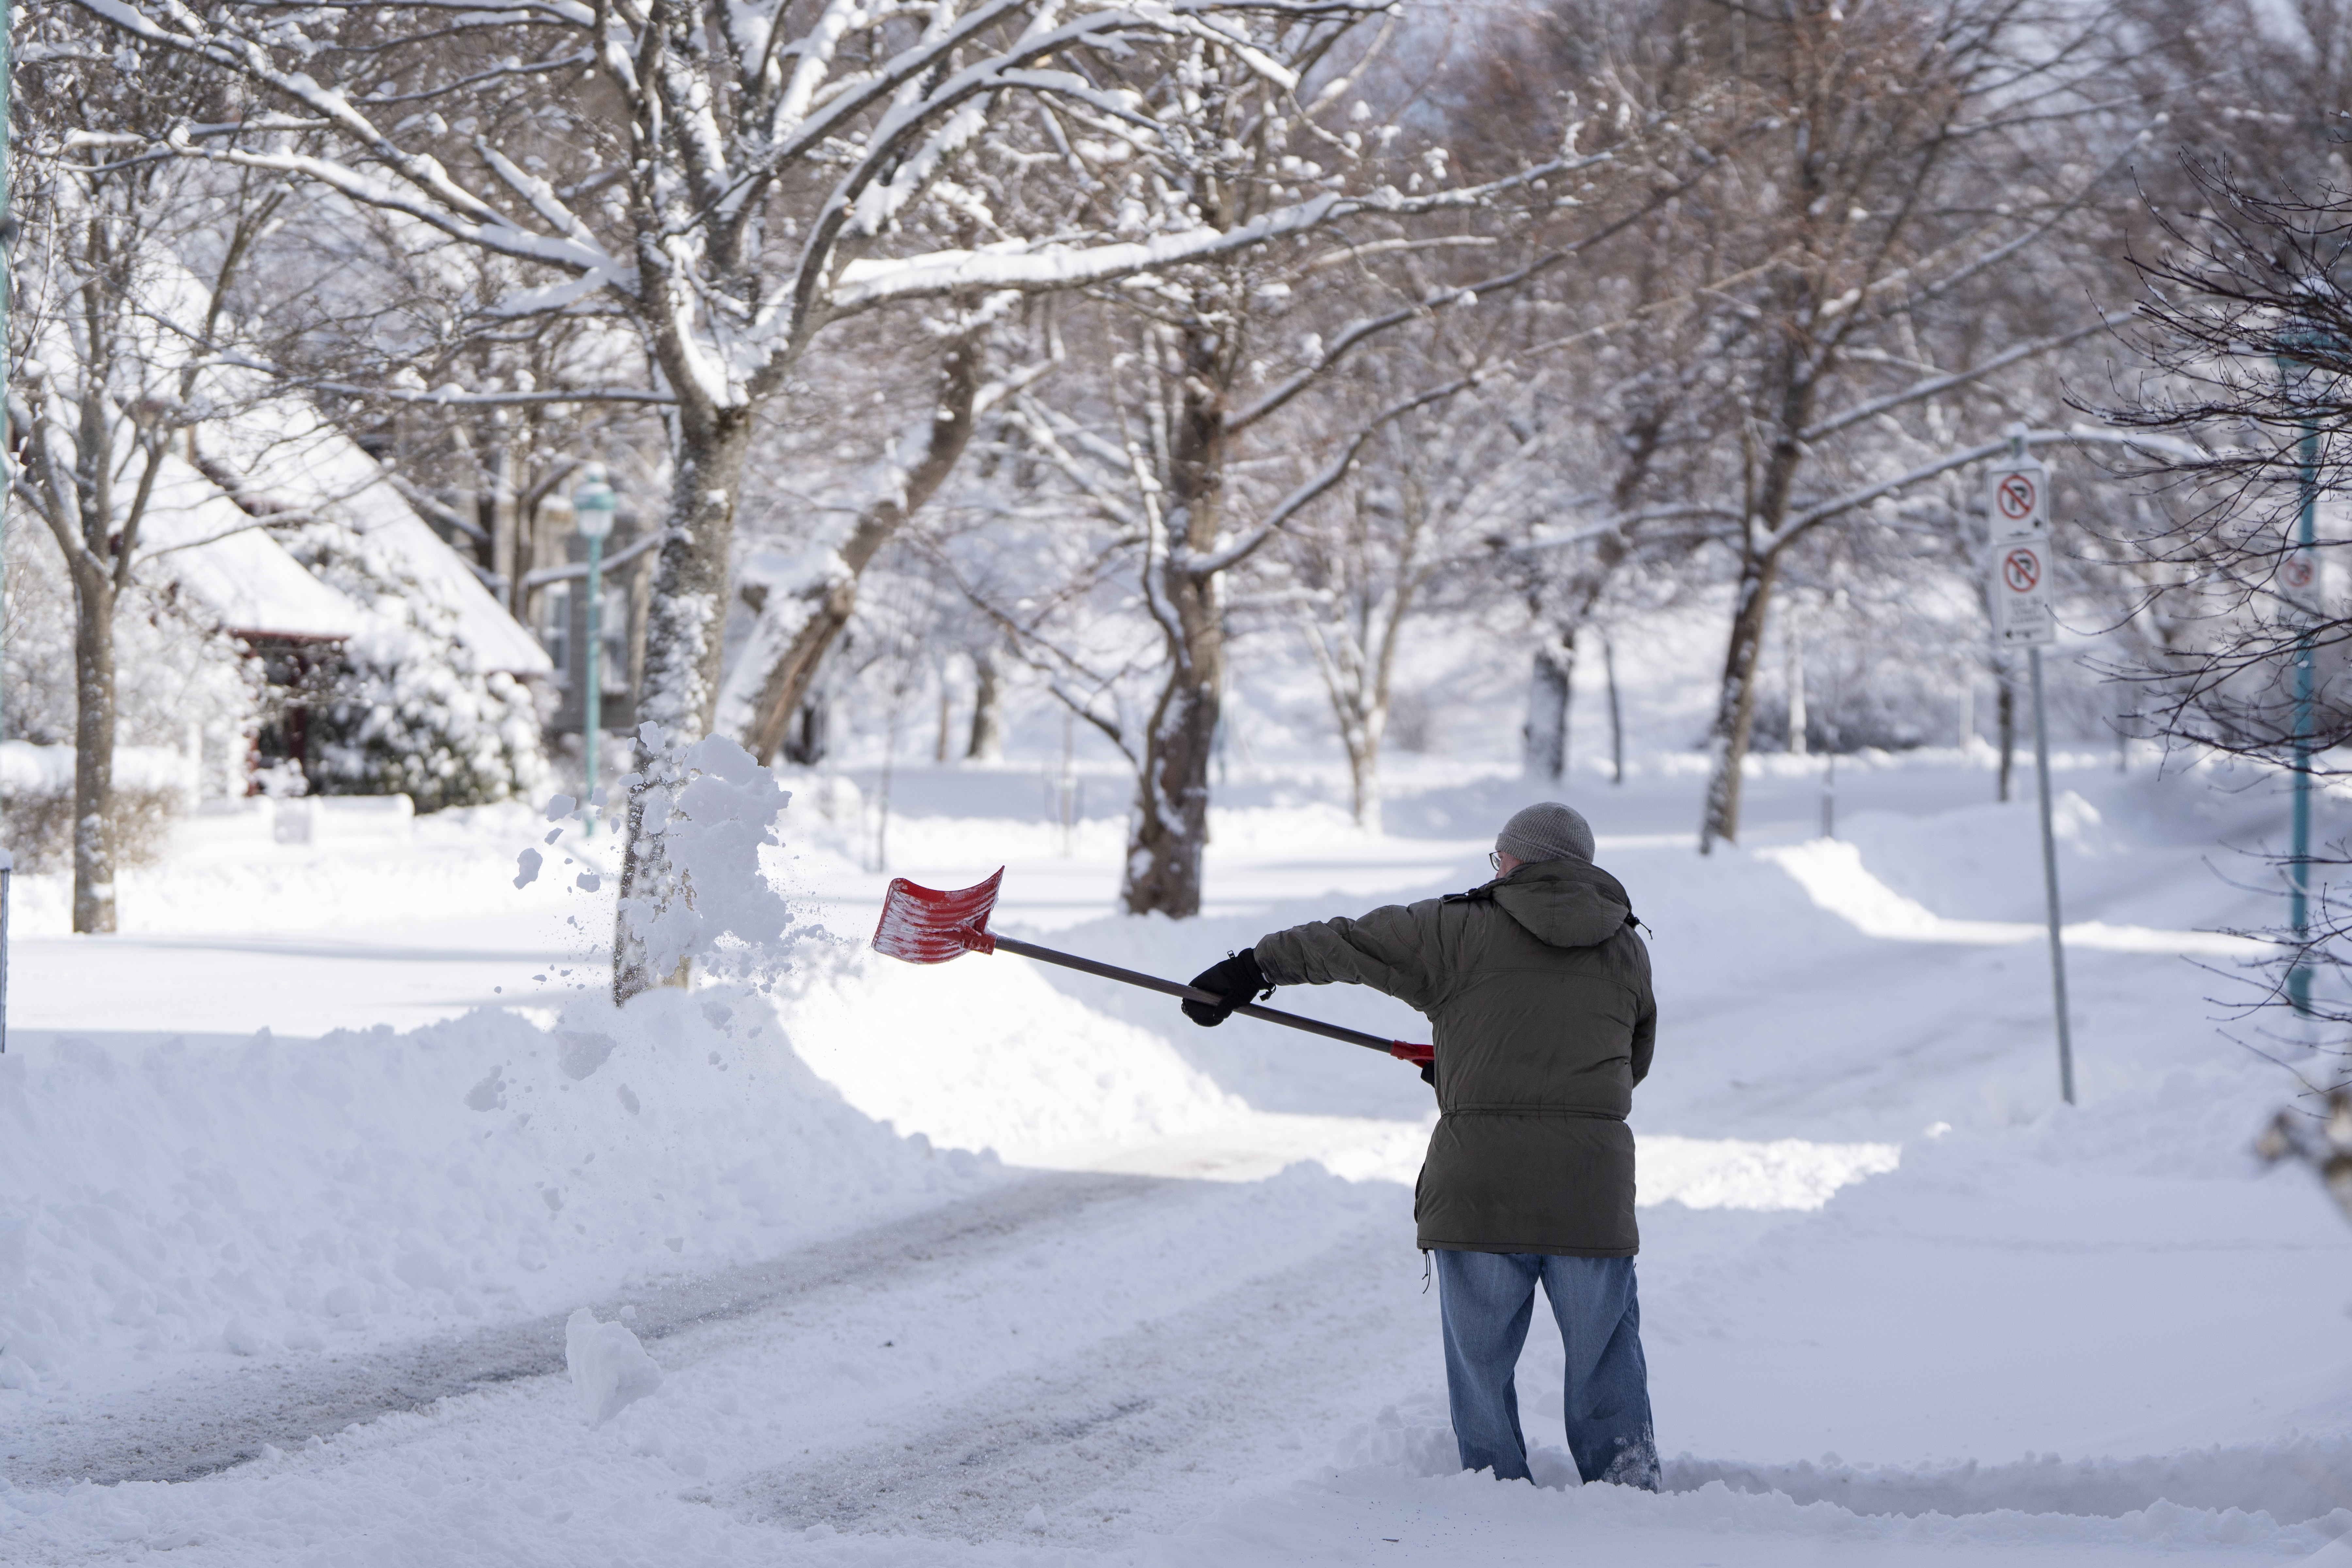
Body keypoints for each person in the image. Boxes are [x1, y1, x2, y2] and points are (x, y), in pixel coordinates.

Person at [1182, 802, 1658, 1489]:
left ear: (1516, 860)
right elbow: (1629, 1063)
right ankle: (1629, 1494)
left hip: (1479, 1187)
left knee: (1480, 1364)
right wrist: (1481, 1060)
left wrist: (1250, 969)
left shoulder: (1455, 929)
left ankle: (1496, 1494)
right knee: (1606, 1355)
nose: (1495, 870)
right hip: (1590, 1190)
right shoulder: (1625, 947)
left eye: (1499, 859)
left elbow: (1348, 943)